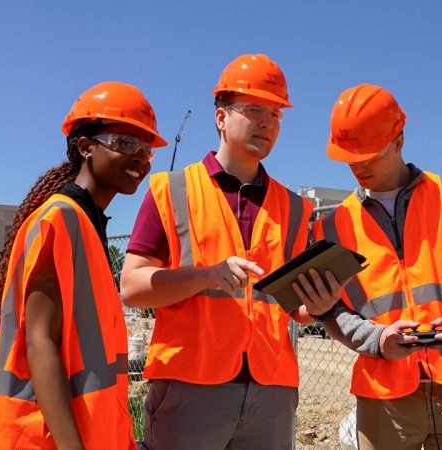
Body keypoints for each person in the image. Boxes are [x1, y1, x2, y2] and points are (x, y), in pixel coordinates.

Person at [121, 53, 341, 449]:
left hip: (271, 390)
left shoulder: (294, 208)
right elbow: (132, 286)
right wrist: (205, 275)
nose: (266, 123)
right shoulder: (171, 191)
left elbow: (292, 306)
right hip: (190, 386)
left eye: (275, 114)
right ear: (220, 117)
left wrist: (321, 303)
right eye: (254, 109)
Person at [0, 81, 168, 449]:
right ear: (86, 147)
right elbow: (40, 342)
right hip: (23, 432)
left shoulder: (86, 222)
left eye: (147, 149)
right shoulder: (63, 218)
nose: (141, 158)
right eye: (125, 142)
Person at [314, 84, 442, 450]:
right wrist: (375, 340)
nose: (358, 165)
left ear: (398, 140)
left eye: (369, 153)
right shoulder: (332, 226)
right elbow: (330, 308)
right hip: (384, 392)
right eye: (349, 155)